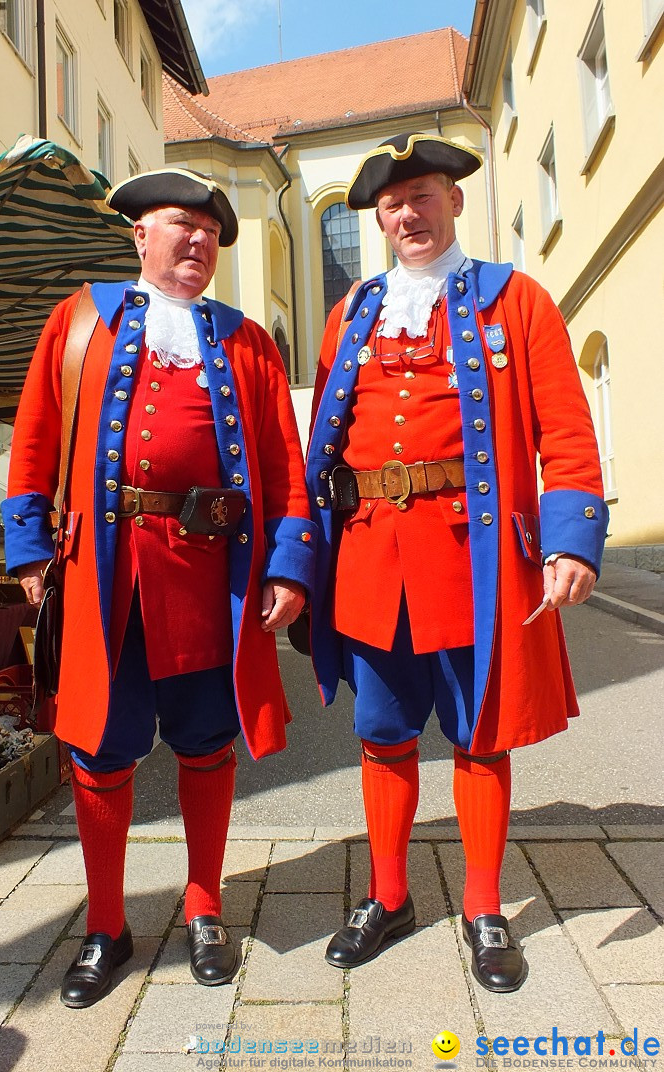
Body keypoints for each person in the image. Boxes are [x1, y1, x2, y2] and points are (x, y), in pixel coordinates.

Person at [2, 168, 315, 1007]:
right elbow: (33, 441)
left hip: (214, 579)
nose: (199, 241)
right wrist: (30, 550)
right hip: (108, 579)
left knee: (208, 742)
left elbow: (285, 469)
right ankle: (107, 923)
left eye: (212, 231)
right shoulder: (80, 322)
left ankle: (206, 905)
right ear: (141, 235)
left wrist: (290, 563)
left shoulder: (248, 340)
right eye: (182, 224)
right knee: (100, 751)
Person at [306, 133, 608, 992]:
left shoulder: (517, 300)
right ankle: (390, 896)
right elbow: (320, 441)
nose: (409, 214)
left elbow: (564, 427)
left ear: (455, 202)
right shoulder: (354, 311)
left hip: (471, 564)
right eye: (393, 204)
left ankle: (482, 908)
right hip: (370, 561)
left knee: (481, 734)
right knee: (382, 733)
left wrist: (571, 536)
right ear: (380, 219)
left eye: (424, 196)